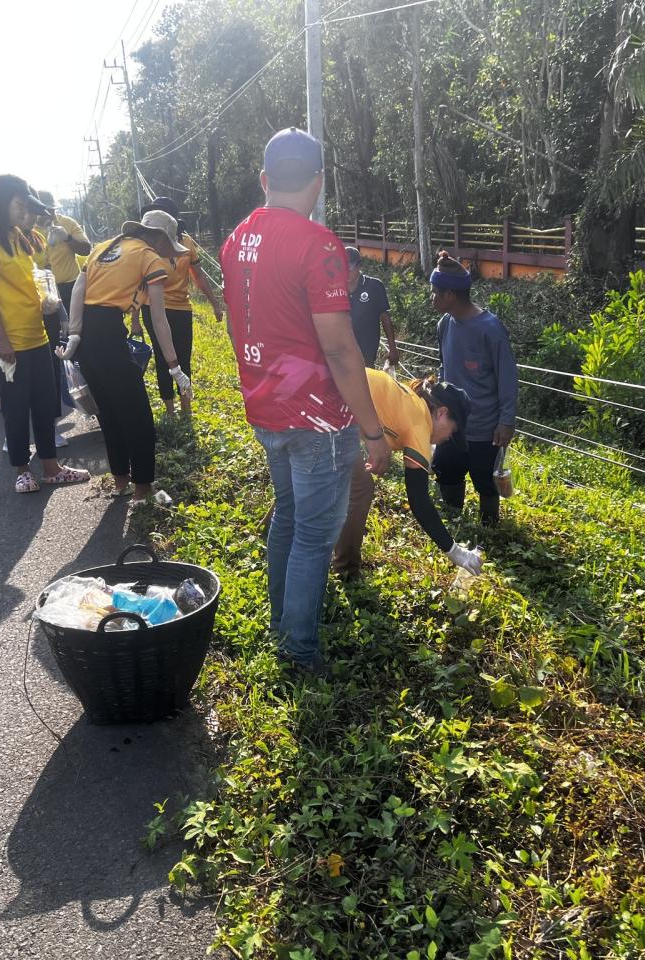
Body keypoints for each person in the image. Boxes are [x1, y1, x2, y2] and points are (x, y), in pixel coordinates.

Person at [220, 127, 391, 675]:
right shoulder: (319, 247)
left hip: (265, 407)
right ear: (318, 182)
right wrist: (372, 431)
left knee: (290, 516)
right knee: (315, 534)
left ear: (266, 180)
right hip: (317, 418)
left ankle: (281, 623)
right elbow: (341, 350)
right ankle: (299, 649)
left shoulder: (235, 239)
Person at [0, 175, 89, 493]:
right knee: (17, 406)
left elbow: (33, 272)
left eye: (26, 206)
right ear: (0, 202)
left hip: (37, 335)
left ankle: (51, 467)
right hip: (8, 342)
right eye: (20, 204)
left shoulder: (17, 235)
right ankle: (22, 470)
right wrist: (3, 339)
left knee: (45, 404)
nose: (23, 212)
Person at [60, 209, 190, 502]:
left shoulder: (105, 247)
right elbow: (159, 319)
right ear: (158, 238)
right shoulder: (149, 257)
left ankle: (121, 480)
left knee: (108, 411)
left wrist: (75, 333)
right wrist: (174, 366)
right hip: (108, 334)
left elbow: (79, 290)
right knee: (138, 415)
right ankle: (142, 489)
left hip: (88, 337)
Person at [331, 371, 483, 578]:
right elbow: (419, 501)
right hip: (327, 405)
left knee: (313, 475)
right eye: (452, 430)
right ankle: (347, 571)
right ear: (441, 412)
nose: (448, 437)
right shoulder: (420, 424)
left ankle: (277, 525)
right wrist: (455, 552)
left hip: (325, 392)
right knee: (360, 489)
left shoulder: (414, 400)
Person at [431, 252, 517, 527]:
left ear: (450, 295)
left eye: (435, 293)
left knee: (486, 481)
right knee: (447, 470)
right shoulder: (444, 325)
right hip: (452, 426)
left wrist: (506, 421)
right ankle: (455, 520)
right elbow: (445, 368)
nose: (432, 298)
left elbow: (507, 378)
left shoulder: (490, 329)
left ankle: (490, 526)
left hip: (484, 427)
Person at [133, 196, 224, 419]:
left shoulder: (186, 244)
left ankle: (186, 408)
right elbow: (138, 284)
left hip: (181, 309)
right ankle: (170, 411)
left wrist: (215, 304)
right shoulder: (146, 247)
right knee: (164, 359)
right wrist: (135, 320)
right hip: (153, 310)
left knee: (183, 358)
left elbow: (199, 277)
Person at [29, 189, 89, 446]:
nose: (48, 215)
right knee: (54, 351)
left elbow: (86, 248)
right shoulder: (28, 232)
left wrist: (66, 239)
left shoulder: (67, 223)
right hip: (47, 296)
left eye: (51, 209)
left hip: (72, 288)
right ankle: (53, 418)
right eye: (43, 210)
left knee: (81, 343)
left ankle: (90, 401)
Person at [345, 245, 399, 368]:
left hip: (366, 354)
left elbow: (385, 318)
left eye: (349, 268)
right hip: (342, 354)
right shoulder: (335, 289)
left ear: (359, 266)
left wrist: (392, 347)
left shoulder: (374, 287)